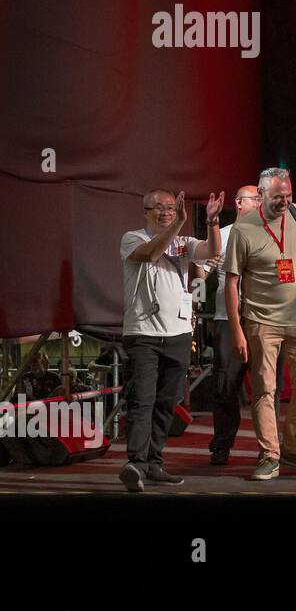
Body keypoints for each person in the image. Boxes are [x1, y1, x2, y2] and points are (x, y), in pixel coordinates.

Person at [225, 167, 296, 482]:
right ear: (261, 196)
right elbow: (232, 282)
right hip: (261, 321)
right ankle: (270, 456)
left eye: (288, 195)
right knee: (264, 390)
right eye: (277, 197)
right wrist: (236, 329)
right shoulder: (244, 229)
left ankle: (292, 449)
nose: (285, 202)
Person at [118, 188, 225, 492]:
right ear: (146, 212)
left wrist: (213, 221)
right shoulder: (132, 238)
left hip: (177, 332)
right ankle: (135, 464)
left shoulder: (183, 243)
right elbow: (151, 254)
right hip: (143, 333)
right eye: (160, 208)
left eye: (171, 208)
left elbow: (211, 252)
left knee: (168, 401)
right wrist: (179, 222)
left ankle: (154, 462)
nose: (166, 212)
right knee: (144, 399)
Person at [207, 185, 262, 466]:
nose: (262, 202)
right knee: (225, 387)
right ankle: (221, 446)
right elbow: (201, 269)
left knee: (267, 387)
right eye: (257, 198)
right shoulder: (224, 235)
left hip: (263, 321)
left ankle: (270, 449)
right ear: (239, 203)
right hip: (227, 321)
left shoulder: (270, 235)